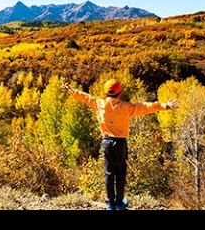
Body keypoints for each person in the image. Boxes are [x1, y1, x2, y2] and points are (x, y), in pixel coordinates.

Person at [61, 79, 179, 210]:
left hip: (106, 142)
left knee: (109, 173)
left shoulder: (99, 104)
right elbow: (144, 107)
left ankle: (110, 203)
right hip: (120, 143)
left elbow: (85, 97)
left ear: (106, 92)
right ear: (120, 93)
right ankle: (119, 202)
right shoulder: (126, 107)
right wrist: (164, 106)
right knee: (121, 173)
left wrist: (71, 91)